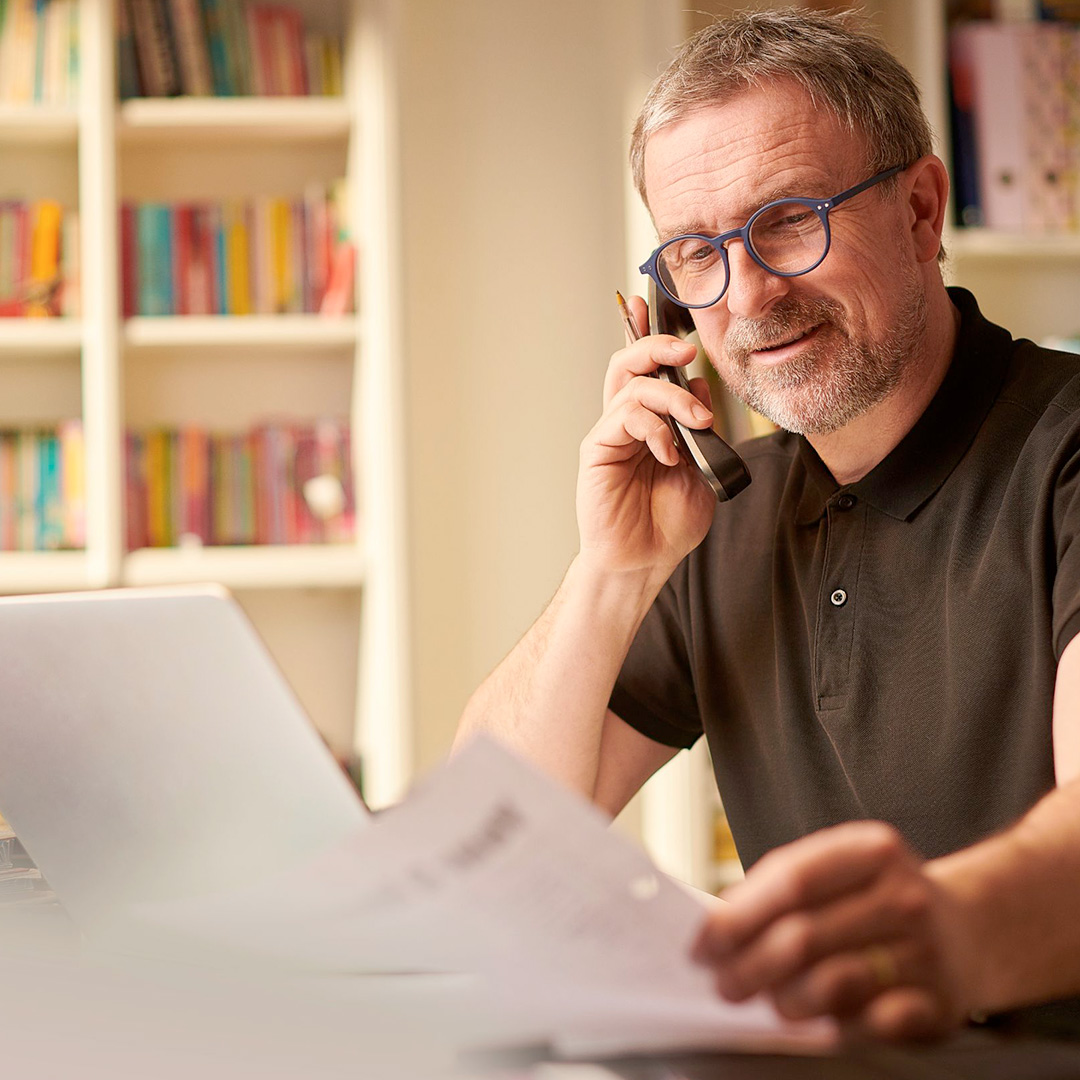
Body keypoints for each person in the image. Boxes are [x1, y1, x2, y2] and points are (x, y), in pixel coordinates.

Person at [455, 7, 1080, 1041]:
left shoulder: (1062, 452)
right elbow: (484, 839)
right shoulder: (717, 515)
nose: (747, 296)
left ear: (922, 211)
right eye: (696, 253)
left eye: (790, 219)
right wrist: (612, 573)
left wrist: (925, 940)